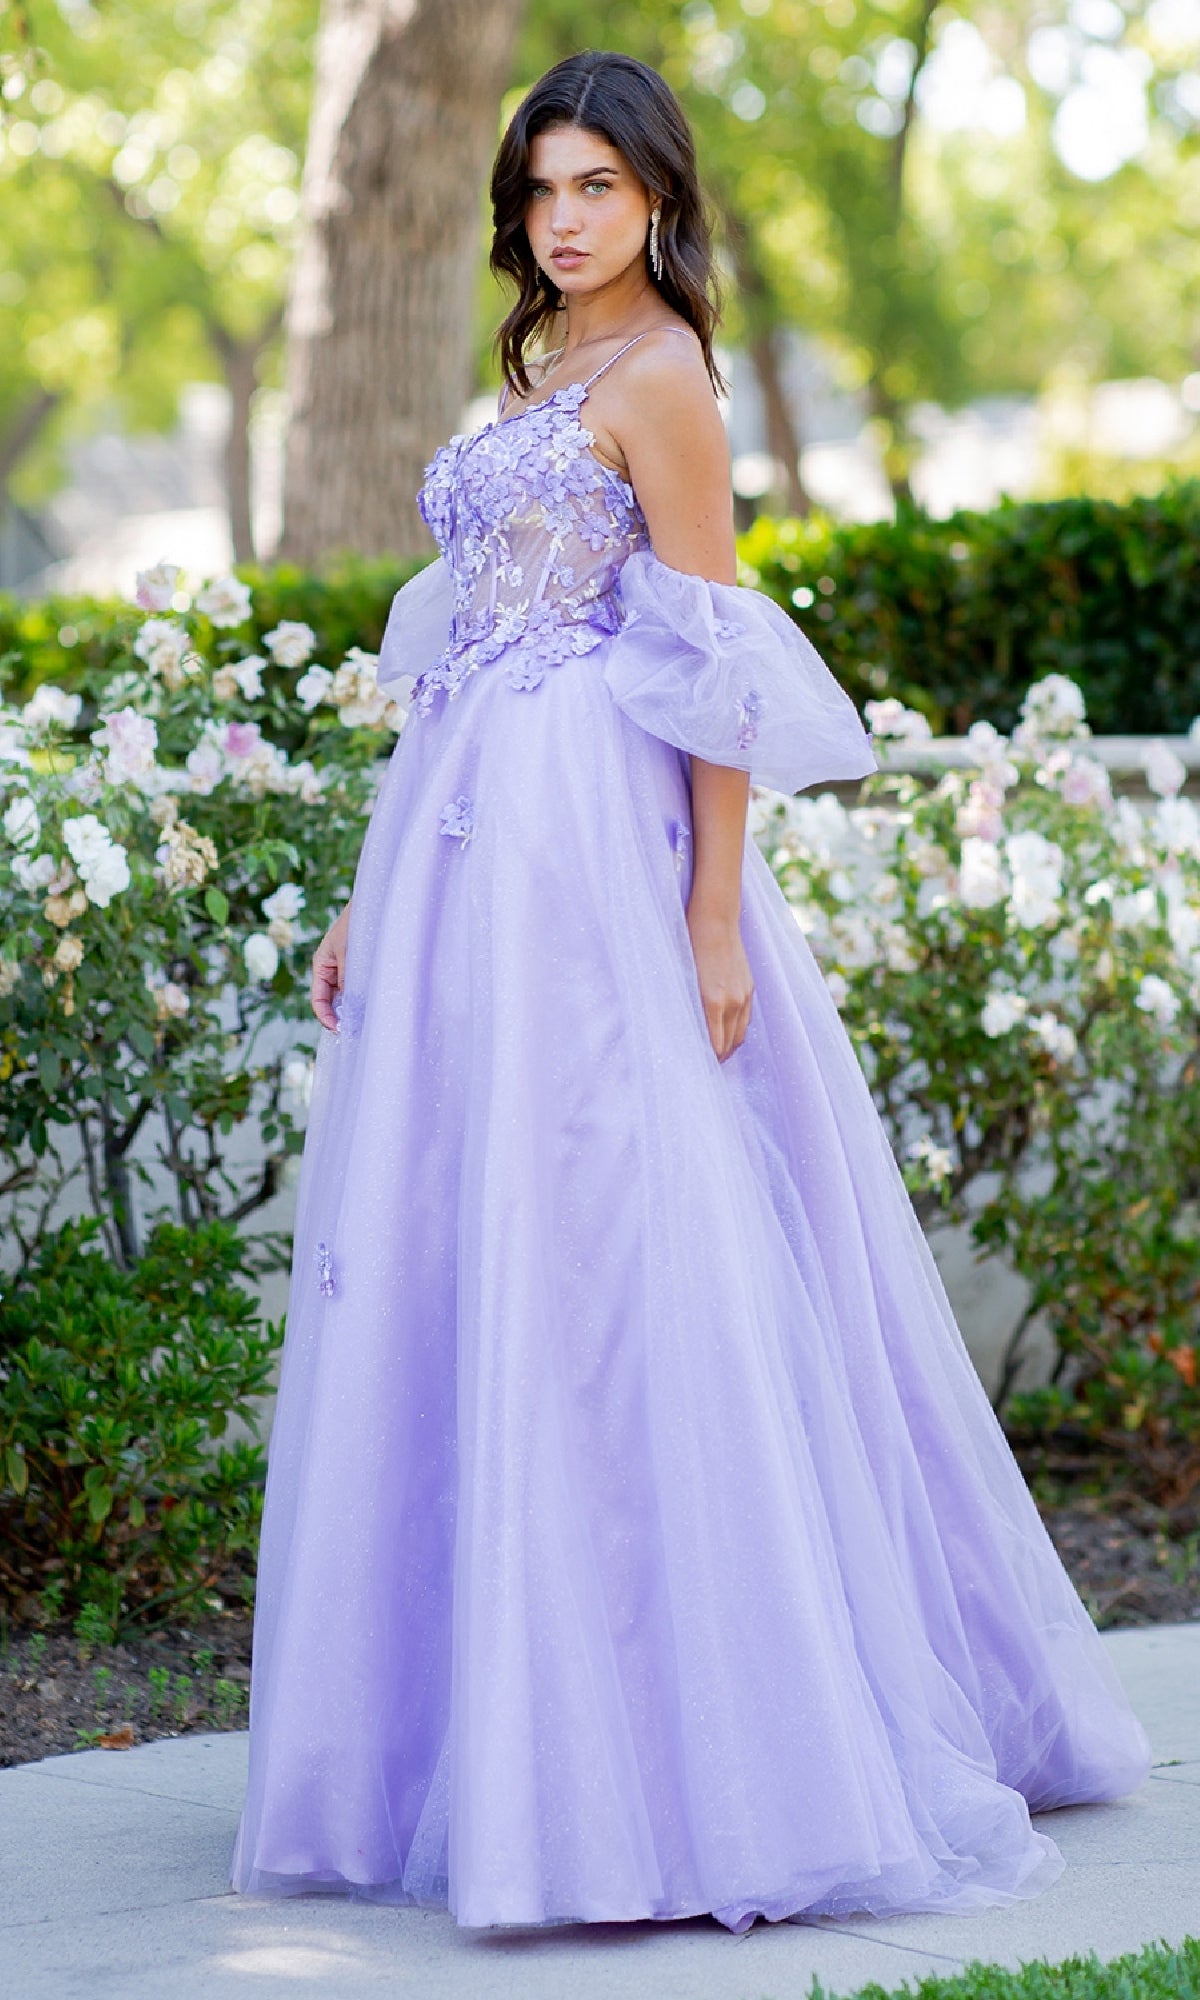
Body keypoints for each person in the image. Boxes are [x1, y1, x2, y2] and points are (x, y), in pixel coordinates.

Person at [231, 50, 1149, 1935]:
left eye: (598, 187)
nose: (564, 219)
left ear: (657, 197)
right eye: (541, 189)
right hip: (462, 841)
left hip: (597, 849)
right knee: (466, 1231)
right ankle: (466, 1731)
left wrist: (715, 913)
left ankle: (675, 1751)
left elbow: (713, 658)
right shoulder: (534, 368)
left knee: (615, 1239)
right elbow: (457, 653)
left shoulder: (663, 379)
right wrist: (367, 893)